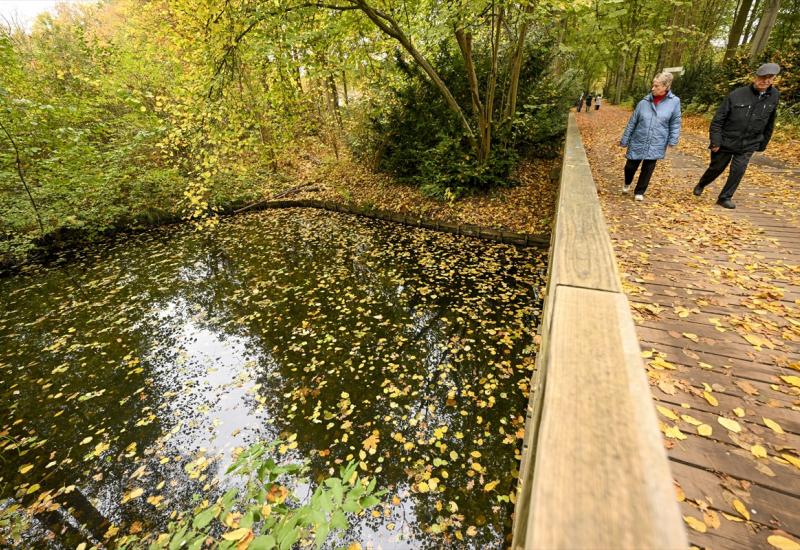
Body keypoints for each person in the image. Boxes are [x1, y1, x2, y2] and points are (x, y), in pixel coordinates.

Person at [692, 62, 781, 209]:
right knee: (716, 168)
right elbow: (718, 120)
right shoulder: (737, 94)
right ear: (755, 77)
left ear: (773, 79)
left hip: (749, 142)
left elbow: (770, 121)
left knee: (738, 170)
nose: (765, 81)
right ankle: (702, 183)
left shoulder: (774, 96)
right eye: (762, 77)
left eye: (769, 78)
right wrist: (715, 141)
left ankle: (725, 197)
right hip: (727, 140)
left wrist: (763, 143)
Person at [619, 72, 682, 201]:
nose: (653, 88)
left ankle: (639, 191)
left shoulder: (675, 102)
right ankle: (627, 182)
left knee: (648, 168)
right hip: (638, 139)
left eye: (657, 86)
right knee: (630, 166)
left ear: (666, 87)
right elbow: (632, 122)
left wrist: (673, 140)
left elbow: (675, 122)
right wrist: (625, 139)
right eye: (653, 85)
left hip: (657, 140)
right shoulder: (643, 102)